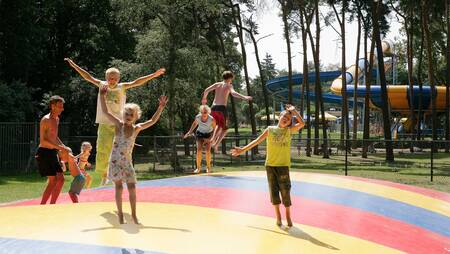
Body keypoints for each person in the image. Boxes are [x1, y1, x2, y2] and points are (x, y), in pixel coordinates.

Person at [64, 58, 165, 185]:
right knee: (102, 149)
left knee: (120, 149)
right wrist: (74, 65)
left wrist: (153, 75)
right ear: (106, 77)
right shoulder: (102, 85)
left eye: (115, 78)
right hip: (105, 122)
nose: (112, 80)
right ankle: (104, 175)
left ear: (119, 78)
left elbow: (137, 82)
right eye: (110, 78)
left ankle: (120, 174)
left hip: (119, 123)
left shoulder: (121, 87)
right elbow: (87, 76)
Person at [99, 85, 167, 224]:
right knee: (118, 187)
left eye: (131, 115)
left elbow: (152, 121)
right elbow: (106, 112)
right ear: (123, 115)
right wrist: (102, 96)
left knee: (132, 187)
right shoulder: (118, 125)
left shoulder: (137, 128)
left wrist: (160, 107)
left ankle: (134, 214)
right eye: (126, 114)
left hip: (127, 162)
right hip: (115, 162)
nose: (128, 117)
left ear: (136, 117)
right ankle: (120, 214)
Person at [231, 104, 305, 227]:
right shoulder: (270, 129)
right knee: (274, 192)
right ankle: (278, 216)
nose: (286, 119)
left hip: (283, 166)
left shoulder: (288, 131)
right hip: (270, 165)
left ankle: (288, 215)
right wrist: (242, 150)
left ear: (289, 124)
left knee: (285, 191)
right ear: (279, 117)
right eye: (284, 116)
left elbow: (302, 124)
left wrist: (295, 112)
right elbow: (257, 141)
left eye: (289, 119)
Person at [201, 71, 252, 152]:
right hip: (221, 108)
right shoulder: (229, 85)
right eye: (232, 79)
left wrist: (204, 98)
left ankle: (212, 140)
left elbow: (206, 90)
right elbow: (234, 93)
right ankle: (215, 144)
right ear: (230, 78)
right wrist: (244, 97)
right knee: (224, 129)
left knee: (218, 125)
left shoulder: (217, 84)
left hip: (213, 108)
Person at [35, 95, 71, 205]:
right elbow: (43, 141)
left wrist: (64, 146)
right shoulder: (45, 120)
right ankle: (42, 206)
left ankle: (52, 205)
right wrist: (60, 148)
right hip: (44, 152)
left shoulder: (57, 119)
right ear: (52, 106)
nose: (62, 109)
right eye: (59, 106)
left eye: (62, 106)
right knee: (53, 181)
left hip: (52, 152)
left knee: (60, 180)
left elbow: (54, 137)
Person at [183, 105, 216, 173]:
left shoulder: (211, 119)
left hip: (208, 134)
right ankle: (198, 168)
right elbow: (194, 124)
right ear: (200, 112)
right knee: (199, 150)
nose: (204, 114)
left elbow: (215, 129)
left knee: (207, 151)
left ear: (208, 112)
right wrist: (189, 132)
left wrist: (211, 138)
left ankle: (208, 168)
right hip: (200, 133)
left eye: (205, 112)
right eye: (202, 112)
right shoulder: (197, 117)